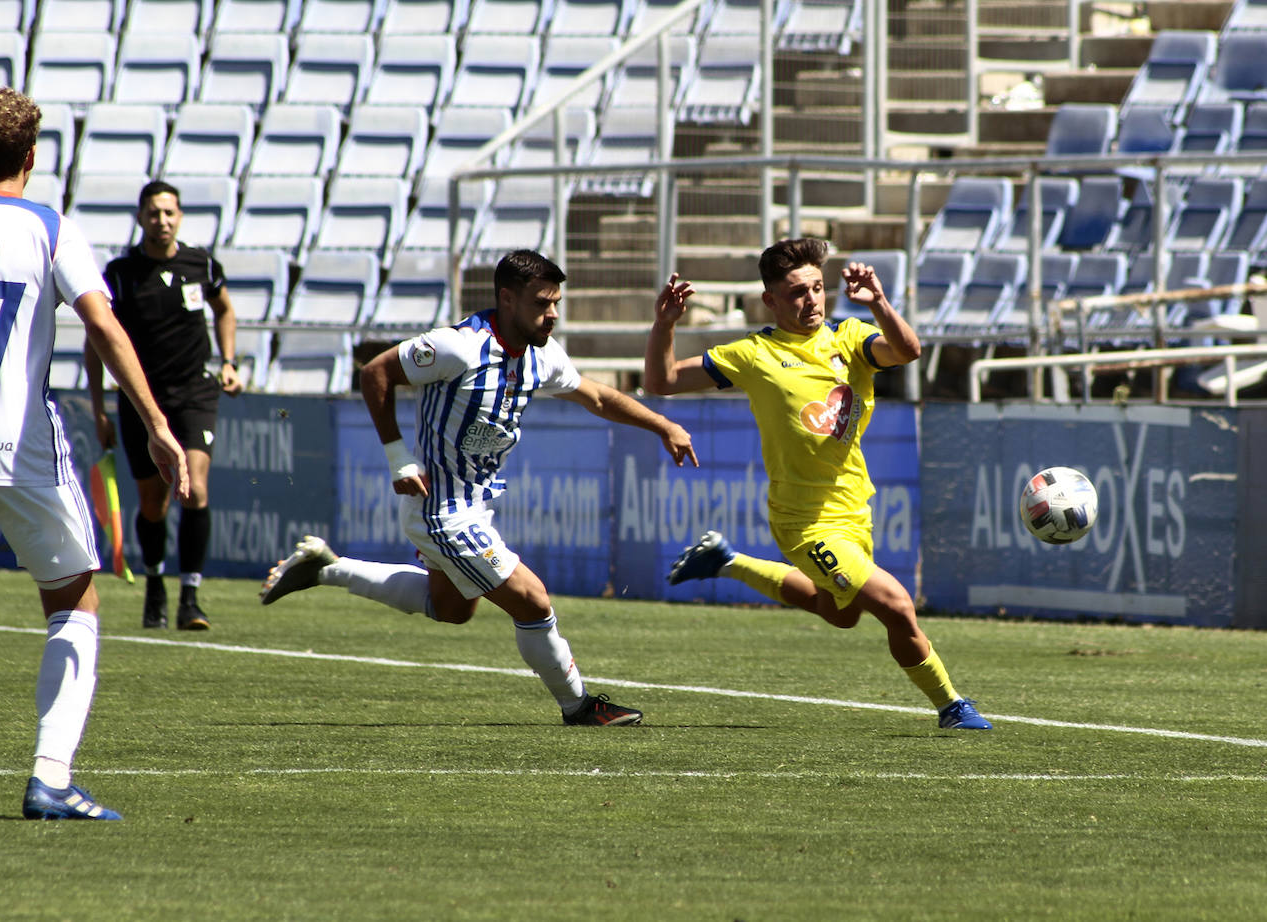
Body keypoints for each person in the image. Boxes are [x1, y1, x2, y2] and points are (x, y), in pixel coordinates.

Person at [0, 85, 191, 821]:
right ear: (32, 156)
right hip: (16, 444)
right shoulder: (50, 228)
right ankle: (50, 777)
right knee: (73, 599)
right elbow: (104, 327)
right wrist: (154, 421)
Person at [260, 249, 698, 726]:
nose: (552, 314)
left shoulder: (542, 354)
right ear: (507, 299)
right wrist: (398, 458)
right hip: (440, 508)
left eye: (556, 303)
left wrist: (662, 425)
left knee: (450, 608)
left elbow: (595, 396)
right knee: (532, 600)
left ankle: (327, 569)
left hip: (474, 505)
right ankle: (579, 705)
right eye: (542, 303)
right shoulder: (458, 346)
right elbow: (376, 373)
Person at [644, 237, 992, 730]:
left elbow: (907, 350)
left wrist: (880, 304)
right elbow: (661, 382)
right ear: (770, 300)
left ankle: (728, 560)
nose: (810, 300)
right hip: (803, 522)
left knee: (840, 614)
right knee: (895, 604)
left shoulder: (850, 338)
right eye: (796, 293)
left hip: (854, 509)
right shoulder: (753, 353)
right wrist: (665, 325)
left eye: (817, 288)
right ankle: (952, 706)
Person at [84, 180, 242, 631]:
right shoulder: (119, 273)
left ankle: (190, 597)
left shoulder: (202, 264)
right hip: (140, 400)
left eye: (170, 212)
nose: (163, 220)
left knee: (194, 489)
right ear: (140, 218)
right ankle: (155, 581)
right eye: (154, 213)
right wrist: (98, 409)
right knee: (153, 503)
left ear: (180, 217)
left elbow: (225, 310)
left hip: (194, 391)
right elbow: (96, 341)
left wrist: (229, 362)